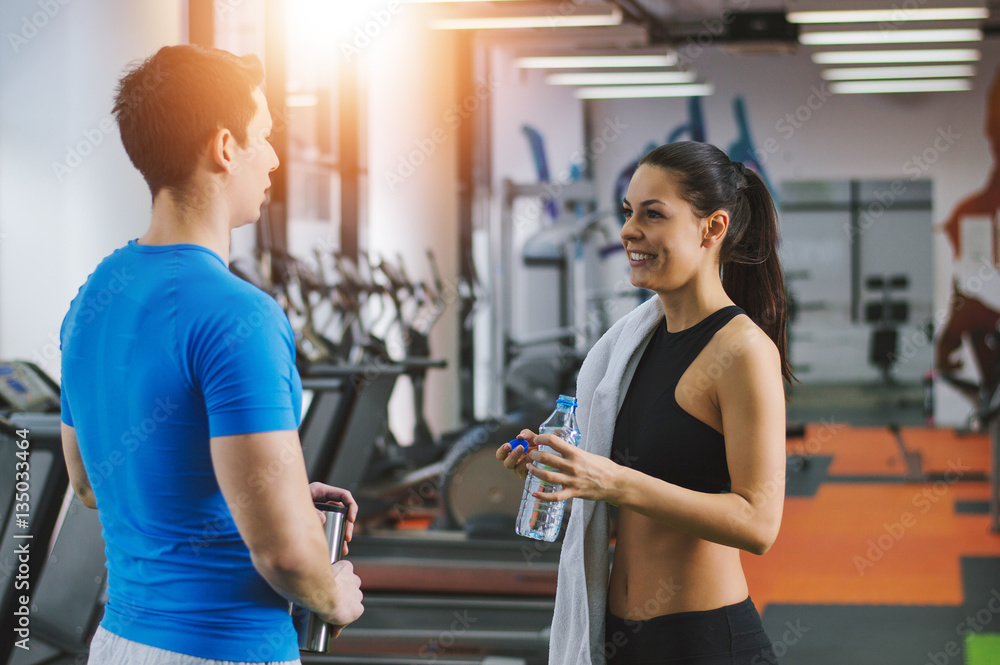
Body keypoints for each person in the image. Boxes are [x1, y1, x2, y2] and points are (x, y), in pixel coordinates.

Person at [59, 45, 363, 665]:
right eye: (265, 137)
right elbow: (286, 556)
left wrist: (269, 490)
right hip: (225, 650)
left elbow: (89, 480)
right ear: (226, 147)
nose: (275, 159)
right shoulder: (240, 315)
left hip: (118, 644)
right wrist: (333, 596)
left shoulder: (94, 294)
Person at [497, 141, 790, 664]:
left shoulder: (742, 351)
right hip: (620, 638)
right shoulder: (629, 347)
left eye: (654, 214)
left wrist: (610, 480)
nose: (630, 230)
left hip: (703, 642)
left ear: (713, 228)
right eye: (629, 212)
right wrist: (563, 468)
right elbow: (621, 475)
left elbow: (758, 523)